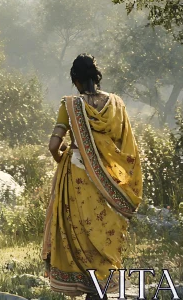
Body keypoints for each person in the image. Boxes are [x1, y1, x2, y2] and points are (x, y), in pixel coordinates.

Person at [41, 54, 143, 299]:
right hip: (109, 181)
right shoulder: (116, 104)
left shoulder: (71, 105)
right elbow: (125, 146)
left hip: (76, 177)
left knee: (79, 231)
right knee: (103, 229)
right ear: (96, 77)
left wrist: (61, 159)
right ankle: (102, 286)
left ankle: (89, 287)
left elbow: (53, 146)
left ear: (75, 80)